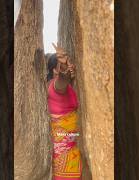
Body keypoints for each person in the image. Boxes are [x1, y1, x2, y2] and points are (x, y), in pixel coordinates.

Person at [46, 43, 82, 180]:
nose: (70, 66)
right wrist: (65, 69)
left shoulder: (57, 87)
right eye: (62, 65)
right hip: (64, 156)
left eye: (70, 63)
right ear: (55, 70)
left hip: (67, 152)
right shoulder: (56, 87)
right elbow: (62, 81)